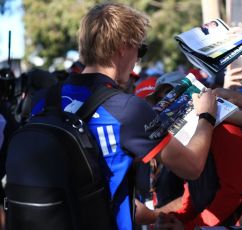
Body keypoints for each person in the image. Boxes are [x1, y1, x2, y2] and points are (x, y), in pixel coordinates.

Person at [31, 3, 217, 230]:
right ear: (123, 47)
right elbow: (192, 166)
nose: (138, 59)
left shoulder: (41, 100)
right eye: (140, 50)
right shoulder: (127, 108)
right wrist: (207, 115)